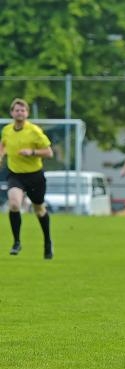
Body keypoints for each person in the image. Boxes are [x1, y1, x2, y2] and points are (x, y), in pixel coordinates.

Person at [0, 98, 54, 259]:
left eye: (22, 110)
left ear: (27, 113)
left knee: (39, 210)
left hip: (34, 175)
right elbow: (3, 143)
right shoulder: (7, 130)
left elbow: (49, 152)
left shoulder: (34, 131)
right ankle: (16, 242)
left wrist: (32, 152)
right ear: (12, 113)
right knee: (14, 204)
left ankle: (47, 242)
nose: (19, 113)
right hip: (15, 174)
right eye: (17, 110)